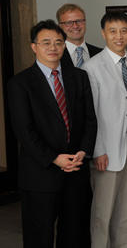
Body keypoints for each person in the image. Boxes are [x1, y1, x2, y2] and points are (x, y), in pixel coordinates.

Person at [7, 20, 97, 248]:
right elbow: (24, 131)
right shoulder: (20, 83)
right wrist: (54, 158)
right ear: (34, 46)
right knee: (40, 236)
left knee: (76, 234)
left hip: (76, 171)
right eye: (46, 42)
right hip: (40, 174)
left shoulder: (79, 77)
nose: (53, 47)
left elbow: (89, 120)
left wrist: (83, 151)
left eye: (58, 42)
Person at [83, 11, 127, 248]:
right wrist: (97, 150)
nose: (119, 36)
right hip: (106, 146)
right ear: (103, 33)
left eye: (124, 31)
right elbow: (92, 114)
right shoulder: (93, 67)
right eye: (113, 31)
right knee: (103, 211)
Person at [56, 3, 101, 68]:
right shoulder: (54, 55)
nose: (75, 26)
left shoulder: (100, 53)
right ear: (59, 26)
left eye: (79, 21)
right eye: (69, 22)